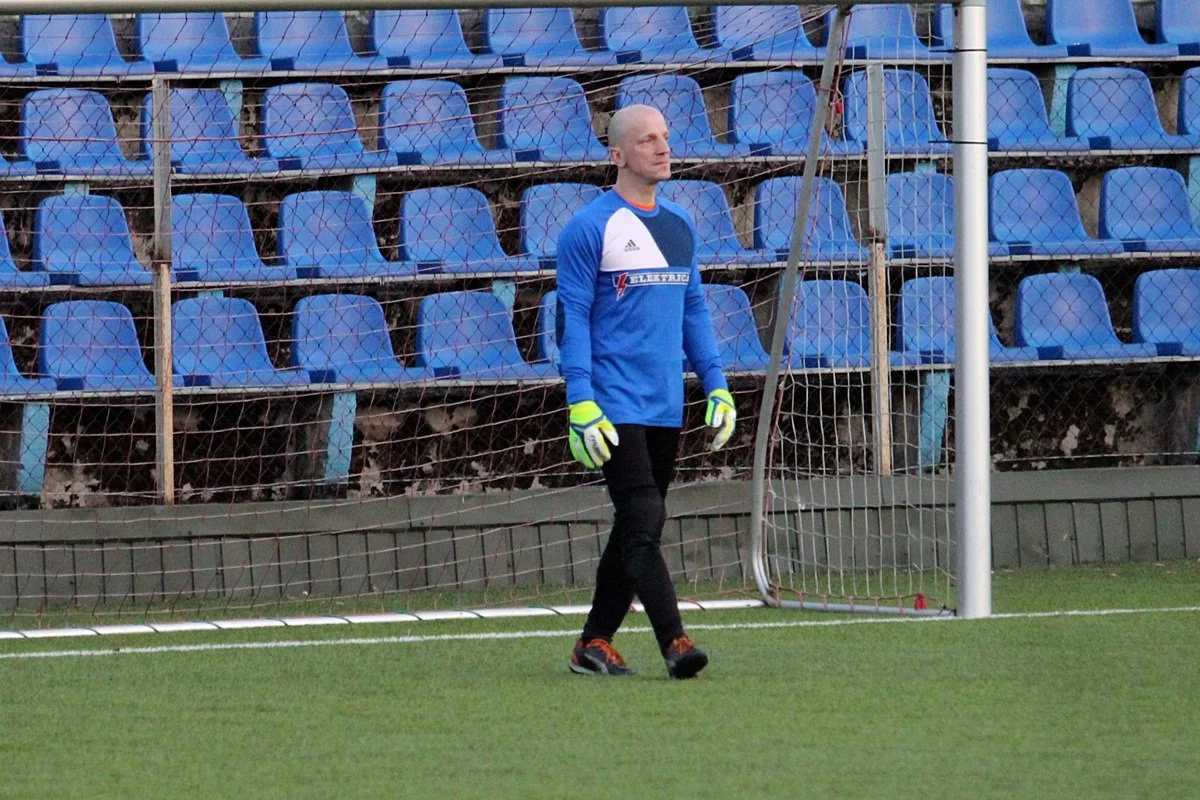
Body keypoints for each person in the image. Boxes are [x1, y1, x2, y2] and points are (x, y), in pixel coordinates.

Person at [555, 104, 736, 679]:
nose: (662, 148)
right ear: (617, 155)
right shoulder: (590, 228)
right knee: (643, 510)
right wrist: (580, 400)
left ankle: (594, 642)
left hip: (665, 402)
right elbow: (574, 317)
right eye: (646, 140)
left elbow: (694, 309)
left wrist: (717, 383)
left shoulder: (679, 225)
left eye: (665, 136)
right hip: (611, 402)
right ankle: (675, 641)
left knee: (640, 524)